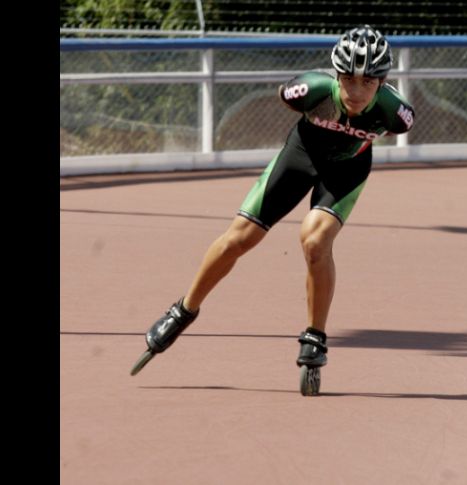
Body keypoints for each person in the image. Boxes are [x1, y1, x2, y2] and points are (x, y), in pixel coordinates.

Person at [132, 25, 415, 385]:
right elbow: (285, 94)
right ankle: (184, 309)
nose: (356, 92)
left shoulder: (397, 114)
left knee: (315, 242)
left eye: (368, 83)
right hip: (301, 156)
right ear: (336, 74)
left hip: (346, 169)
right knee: (239, 238)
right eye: (348, 80)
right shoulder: (309, 89)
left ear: (383, 81)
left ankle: (315, 337)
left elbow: (391, 122)